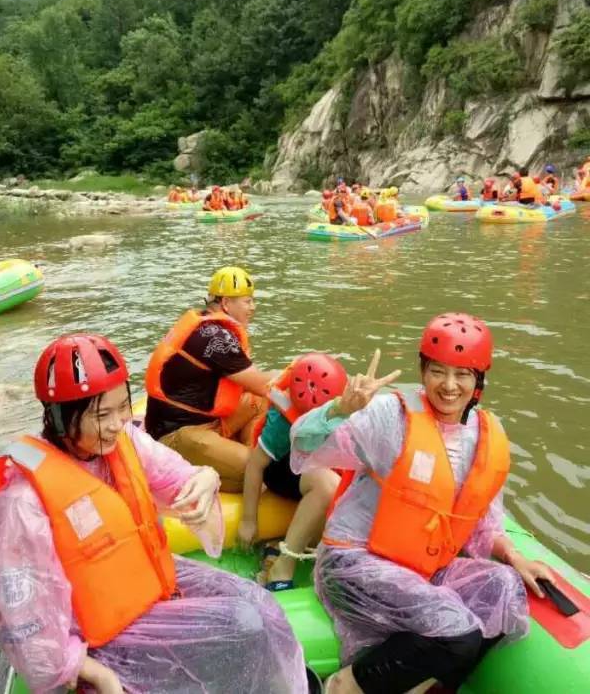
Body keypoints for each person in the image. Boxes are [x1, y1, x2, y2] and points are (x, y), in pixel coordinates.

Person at [0, 334, 308, 694]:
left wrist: (204, 480)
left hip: (147, 582)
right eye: (102, 414)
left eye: (123, 408)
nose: (118, 423)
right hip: (99, 632)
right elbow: (26, 626)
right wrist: (91, 672)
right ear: (59, 418)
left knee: (257, 601)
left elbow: (177, 476)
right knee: (242, 623)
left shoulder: (125, 441)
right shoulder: (21, 504)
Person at [290, 315, 555, 694]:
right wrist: (339, 410)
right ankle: (340, 686)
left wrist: (517, 558)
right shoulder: (389, 417)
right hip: (355, 563)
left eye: (462, 374)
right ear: (422, 371)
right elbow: (304, 446)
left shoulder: (486, 435)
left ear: (479, 380)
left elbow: (485, 522)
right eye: (438, 372)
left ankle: (414, 685)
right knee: (459, 632)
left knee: (503, 588)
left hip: (424, 570)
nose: (449, 386)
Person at [145, 267, 274, 492]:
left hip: (205, 420)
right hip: (178, 434)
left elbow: (255, 386)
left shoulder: (208, 325)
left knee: (259, 402)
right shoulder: (215, 337)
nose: (253, 307)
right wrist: (298, 372)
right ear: (225, 303)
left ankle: (240, 453)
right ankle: (240, 467)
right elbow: (265, 385)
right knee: (260, 470)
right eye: (247, 301)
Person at [238, 354, 344, 592]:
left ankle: (277, 546)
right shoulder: (283, 422)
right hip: (283, 469)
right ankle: (281, 567)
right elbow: (256, 465)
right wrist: (248, 520)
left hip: (316, 466)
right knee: (327, 484)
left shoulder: (345, 411)